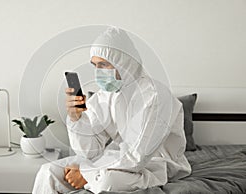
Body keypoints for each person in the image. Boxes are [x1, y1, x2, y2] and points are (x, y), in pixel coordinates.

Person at [32, 26, 191, 194]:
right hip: (113, 161)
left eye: (104, 65)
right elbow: (89, 152)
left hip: (156, 163)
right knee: (48, 171)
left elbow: (136, 158)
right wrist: (76, 119)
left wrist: (86, 174)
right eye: (95, 65)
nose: (98, 72)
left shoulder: (155, 96)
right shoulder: (106, 95)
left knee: (107, 182)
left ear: (123, 63)